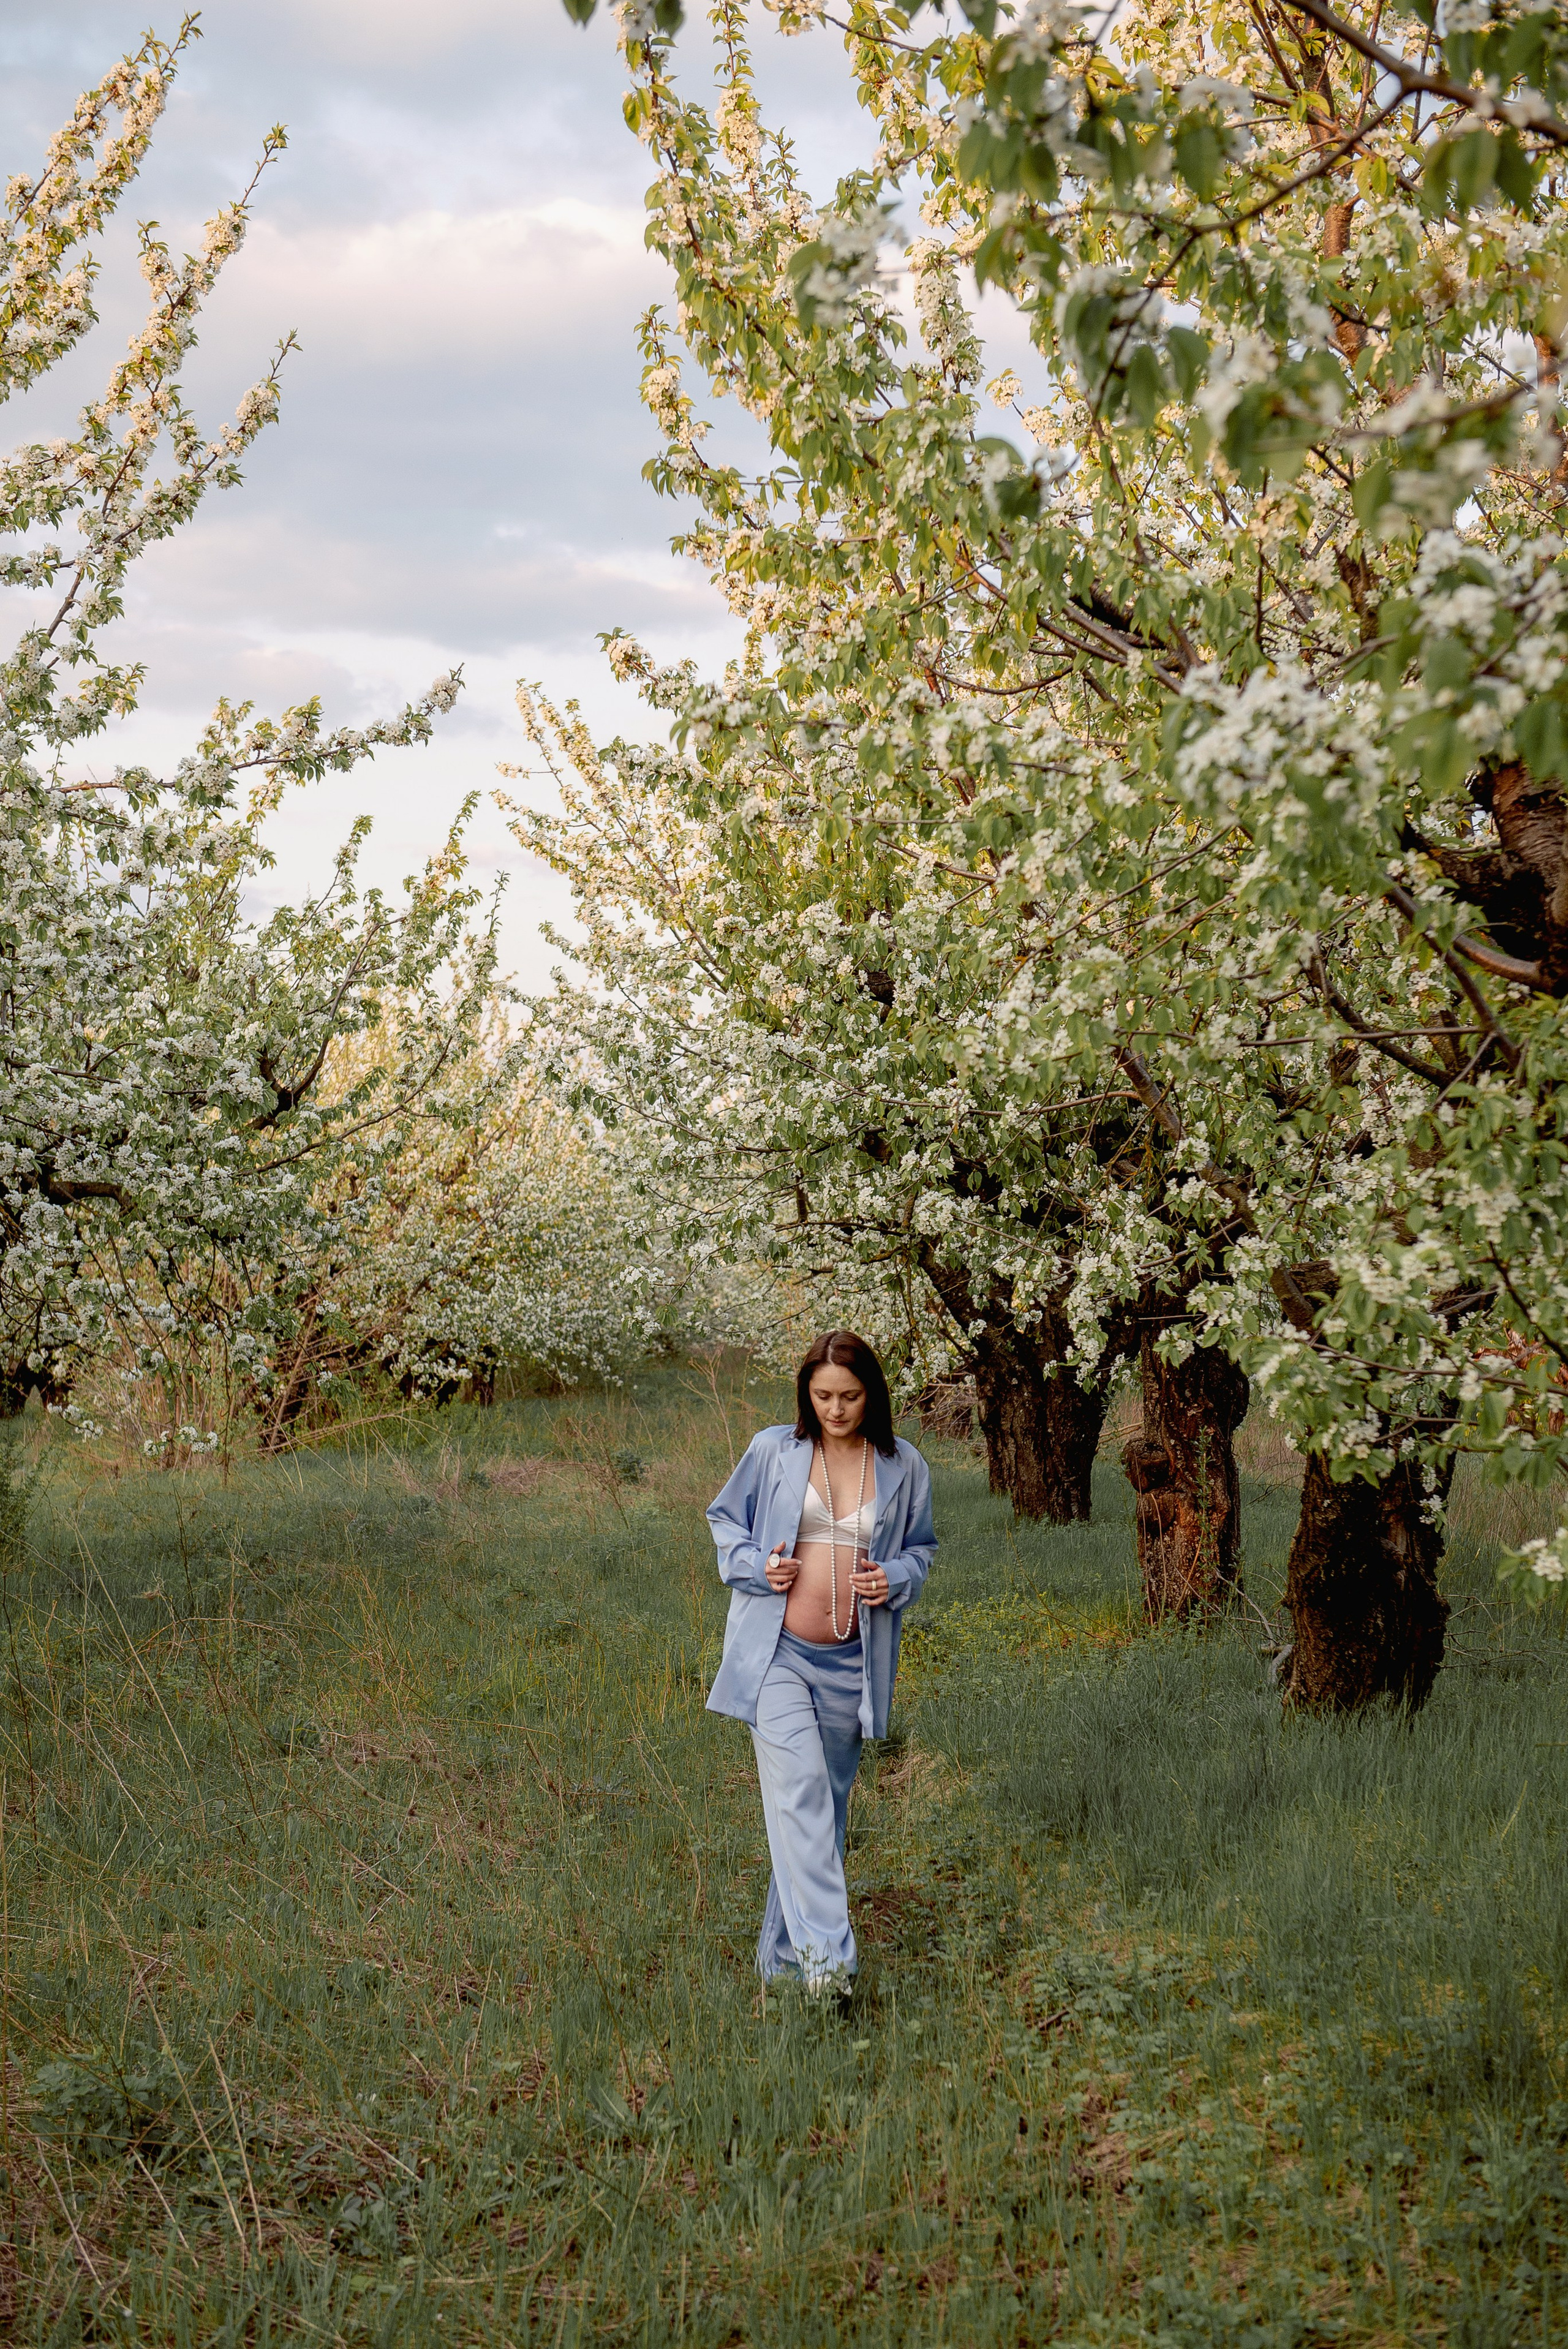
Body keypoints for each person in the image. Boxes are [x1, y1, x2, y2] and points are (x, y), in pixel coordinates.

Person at [706, 1331, 936, 1991]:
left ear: (873, 1394)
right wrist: (758, 1565)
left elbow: (921, 1551)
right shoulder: (773, 1449)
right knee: (802, 1793)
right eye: (823, 1395)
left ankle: (781, 1962)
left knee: (820, 1821)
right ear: (807, 1393)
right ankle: (831, 1972)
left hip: (850, 1664)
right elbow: (725, 1521)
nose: (836, 1409)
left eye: (850, 1396)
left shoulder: (902, 1464)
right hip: (776, 1654)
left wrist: (893, 1577)